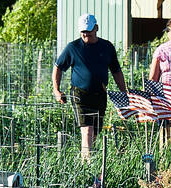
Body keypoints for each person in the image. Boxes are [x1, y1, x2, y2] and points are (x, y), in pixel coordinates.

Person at [53, 13, 129, 161]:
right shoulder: (72, 48)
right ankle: (87, 166)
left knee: (94, 133)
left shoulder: (106, 47)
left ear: (96, 28)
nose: (85, 34)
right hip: (80, 94)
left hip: (100, 93)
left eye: (88, 30)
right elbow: (58, 67)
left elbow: (116, 71)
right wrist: (56, 90)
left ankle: (90, 162)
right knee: (87, 131)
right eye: (83, 31)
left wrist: (124, 92)